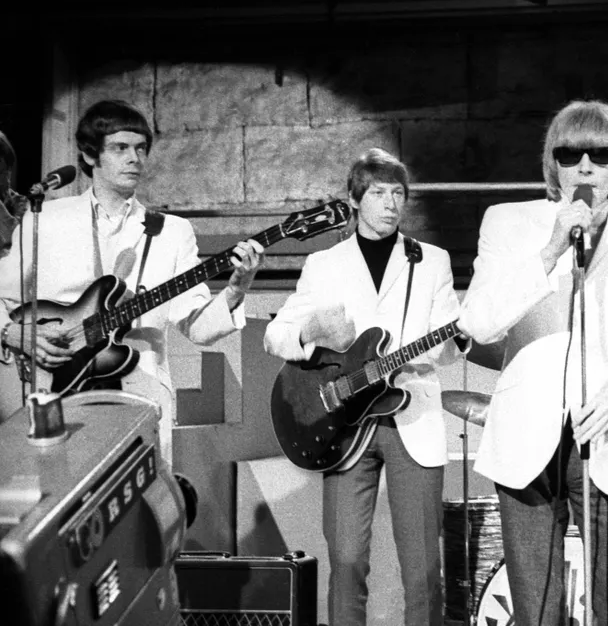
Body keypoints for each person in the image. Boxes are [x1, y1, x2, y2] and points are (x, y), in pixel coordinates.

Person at [458, 99, 608, 625]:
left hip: (606, 432)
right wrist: (550, 249)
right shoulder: (508, 223)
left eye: (601, 155)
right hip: (523, 437)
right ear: (552, 164)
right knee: (536, 610)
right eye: (570, 153)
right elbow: (479, 322)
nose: (585, 166)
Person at [263, 148, 460, 626]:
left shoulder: (431, 261)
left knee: (423, 570)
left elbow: (450, 340)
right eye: (378, 193)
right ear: (355, 200)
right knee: (347, 560)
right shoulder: (323, 263)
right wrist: (311, 333)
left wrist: (446, 342)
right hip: (343, 424)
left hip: (411, 414)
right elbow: (276, 335)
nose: (391, 203)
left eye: (398, 194)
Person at [0, 100, 262, 449]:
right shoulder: (44, 219)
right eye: (120, 148)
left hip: (138, 393)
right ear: (91, 155)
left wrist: (235, 290)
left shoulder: (173, 231)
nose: (134, 158)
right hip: (51, 391)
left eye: (140, 148)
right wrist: (13, 332)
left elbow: (197, 328)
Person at [0, 130, 27, 260]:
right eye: (2, 173)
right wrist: (19, 216)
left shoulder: (8, 198)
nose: (7, 180)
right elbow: (10, 247)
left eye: (8, 172)